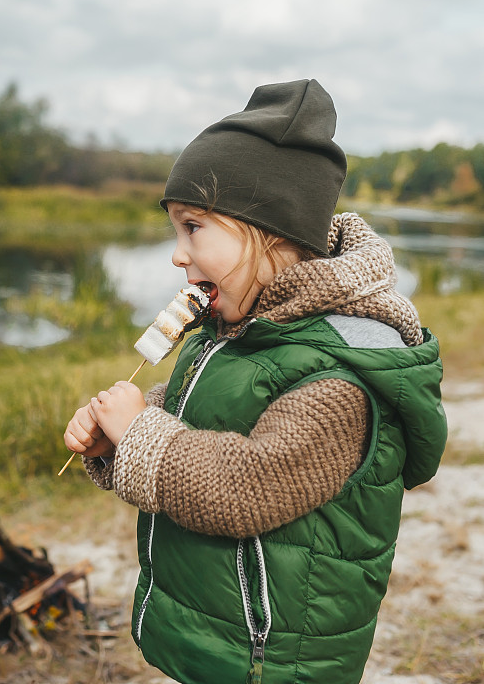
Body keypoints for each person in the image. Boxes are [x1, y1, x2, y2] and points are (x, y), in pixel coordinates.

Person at [64, 79, 447, 684]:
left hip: (275, 660)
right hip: (217, 635)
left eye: (194, 228)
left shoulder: (338, 375)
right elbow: (218, 412)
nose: (177, 255)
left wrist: (142, 433)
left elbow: (249, 483)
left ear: (269, 229)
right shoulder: (242, 325)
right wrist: (118, 437)